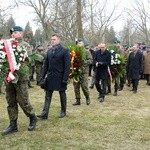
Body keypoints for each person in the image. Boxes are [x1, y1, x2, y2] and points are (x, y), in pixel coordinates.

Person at [1, 26, 37, 135]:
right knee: (10, 101)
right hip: (9, 77)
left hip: (21, 78)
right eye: (12, 33)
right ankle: (13, 124)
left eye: (16, 32)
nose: (13, 34)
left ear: (21, 33)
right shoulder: (5, 45)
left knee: (23, 101)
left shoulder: (25, 45)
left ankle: (32, 117)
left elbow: (28, 60)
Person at [37, 34, 70, 119]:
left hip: (60, 76)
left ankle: (63, 111)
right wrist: (42, 76)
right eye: (51, 39)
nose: (52, 41)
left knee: (62, 93)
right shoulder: (49, 51)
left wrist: (65, 78)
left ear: (59, 40)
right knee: (47, 95)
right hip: (50, 76)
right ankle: (45, 113)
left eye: (54, 39)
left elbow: (67, 66)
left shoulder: (65, 50)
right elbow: (46, 65)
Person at [72, 38, 93, 105]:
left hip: (84, 72)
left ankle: (87, 97)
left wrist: (84, 62)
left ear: (83, 44)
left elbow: (91, 60)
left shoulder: (86, 51)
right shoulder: (74, 52)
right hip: (76, 71)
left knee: (84, 86)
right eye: (77, 43)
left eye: (80, 43)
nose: (79, 44)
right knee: (76, 86)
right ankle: (78, 100)